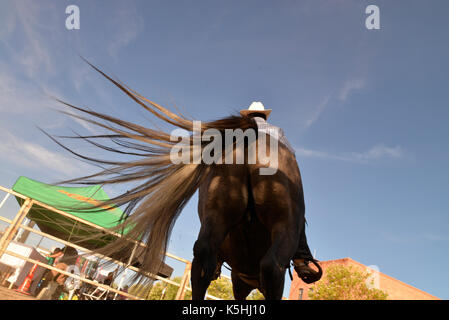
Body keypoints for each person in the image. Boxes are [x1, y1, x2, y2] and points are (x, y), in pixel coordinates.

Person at [240, 101, 322, 284]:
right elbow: (289, 156)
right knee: (297, 210)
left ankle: (215, 259)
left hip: (235, 172)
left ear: (247, 116)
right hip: (271, 173)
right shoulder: (276, 131)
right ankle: (300, 258)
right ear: (264, 116)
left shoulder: (237, 132)